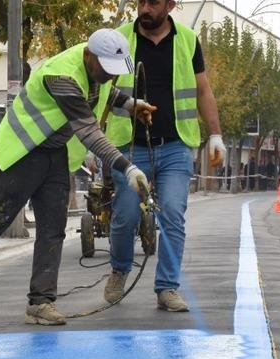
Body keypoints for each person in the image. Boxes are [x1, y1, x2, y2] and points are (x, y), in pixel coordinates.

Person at [0, 28, 156, 328]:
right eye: (106, 70)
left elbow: (103, 90)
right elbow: (89, 131)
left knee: (53, 229)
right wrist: (126, 167)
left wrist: (130, 104)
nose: (109, 76)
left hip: (53, 153)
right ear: (90, 56)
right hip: (21, 152)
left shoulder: (96, 67)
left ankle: (41, 302)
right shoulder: (62, 76)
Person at [101, 0, 225, 312]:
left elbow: (202, 90)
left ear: (170, 5)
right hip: (129, 147)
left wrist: (216, 134)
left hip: (175, 145)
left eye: (153, 3)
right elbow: (102, 91)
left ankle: (167, 287)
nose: (145, 8)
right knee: (126, 216)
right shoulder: (120, 40)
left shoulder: (186, 40)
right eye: (141, 2)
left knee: (172, 214)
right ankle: (119, 269)